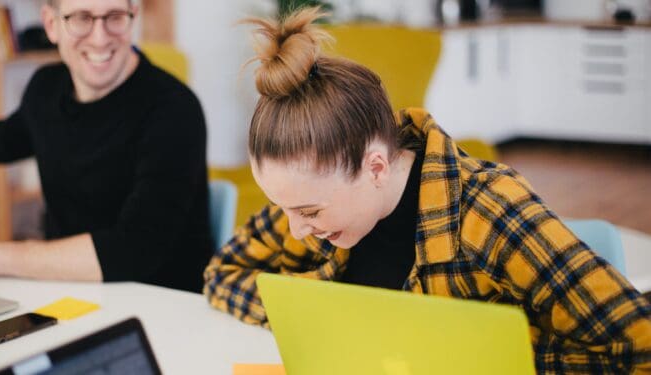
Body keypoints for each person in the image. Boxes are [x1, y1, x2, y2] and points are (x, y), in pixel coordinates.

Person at [203, 7, 651, 372]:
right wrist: (322, 318)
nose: (296, 229)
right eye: (284, 208)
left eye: (310, 212)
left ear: (375, 166)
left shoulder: (489, 211)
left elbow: (637, 344)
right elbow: (222, 275)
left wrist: (485, 356)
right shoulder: (312, 206)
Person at [0, 0, 213, 293]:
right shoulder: (46, 89)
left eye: (114, 16)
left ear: (133, 17)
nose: (99, 37)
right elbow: (1, 140)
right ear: (51, 24)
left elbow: (134, 249)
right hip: (69, 295)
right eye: (81, 18)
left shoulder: (174, 110)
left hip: (163, 310)